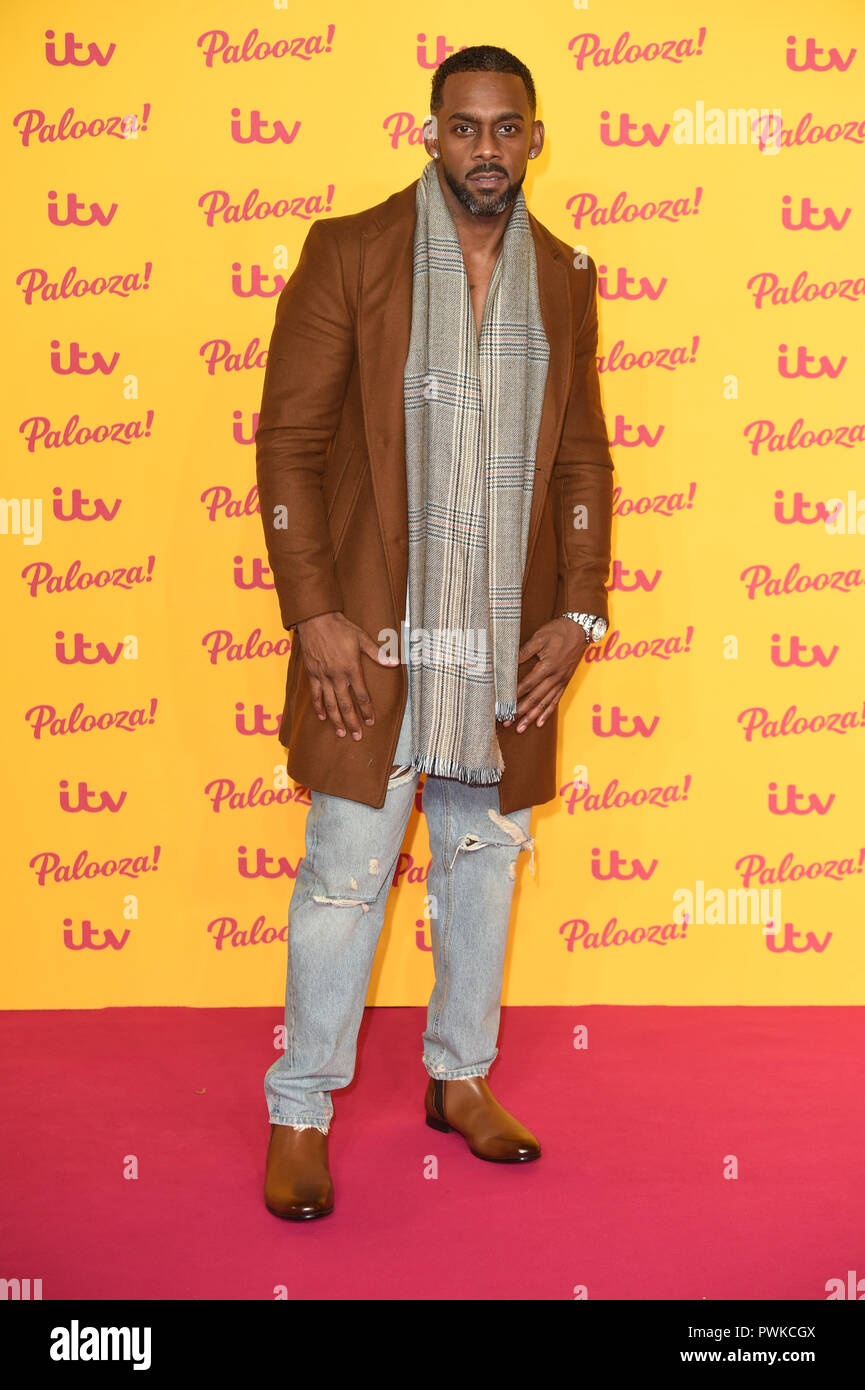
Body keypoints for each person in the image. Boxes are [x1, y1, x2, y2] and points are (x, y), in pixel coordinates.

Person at [255, 45, 614, 1220]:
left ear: (535, 138)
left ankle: (458, 1080)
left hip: (500, 641)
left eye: (507, 129)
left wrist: (578, 609)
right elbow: (289, 445)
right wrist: (313, 613)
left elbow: (579, 457)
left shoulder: (563, 273)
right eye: (464, 129)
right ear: (429, 135)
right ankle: (302, 1105)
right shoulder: (351, 252)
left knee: (481, 862)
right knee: (346, 878)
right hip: (376, 635)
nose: (486, 152)